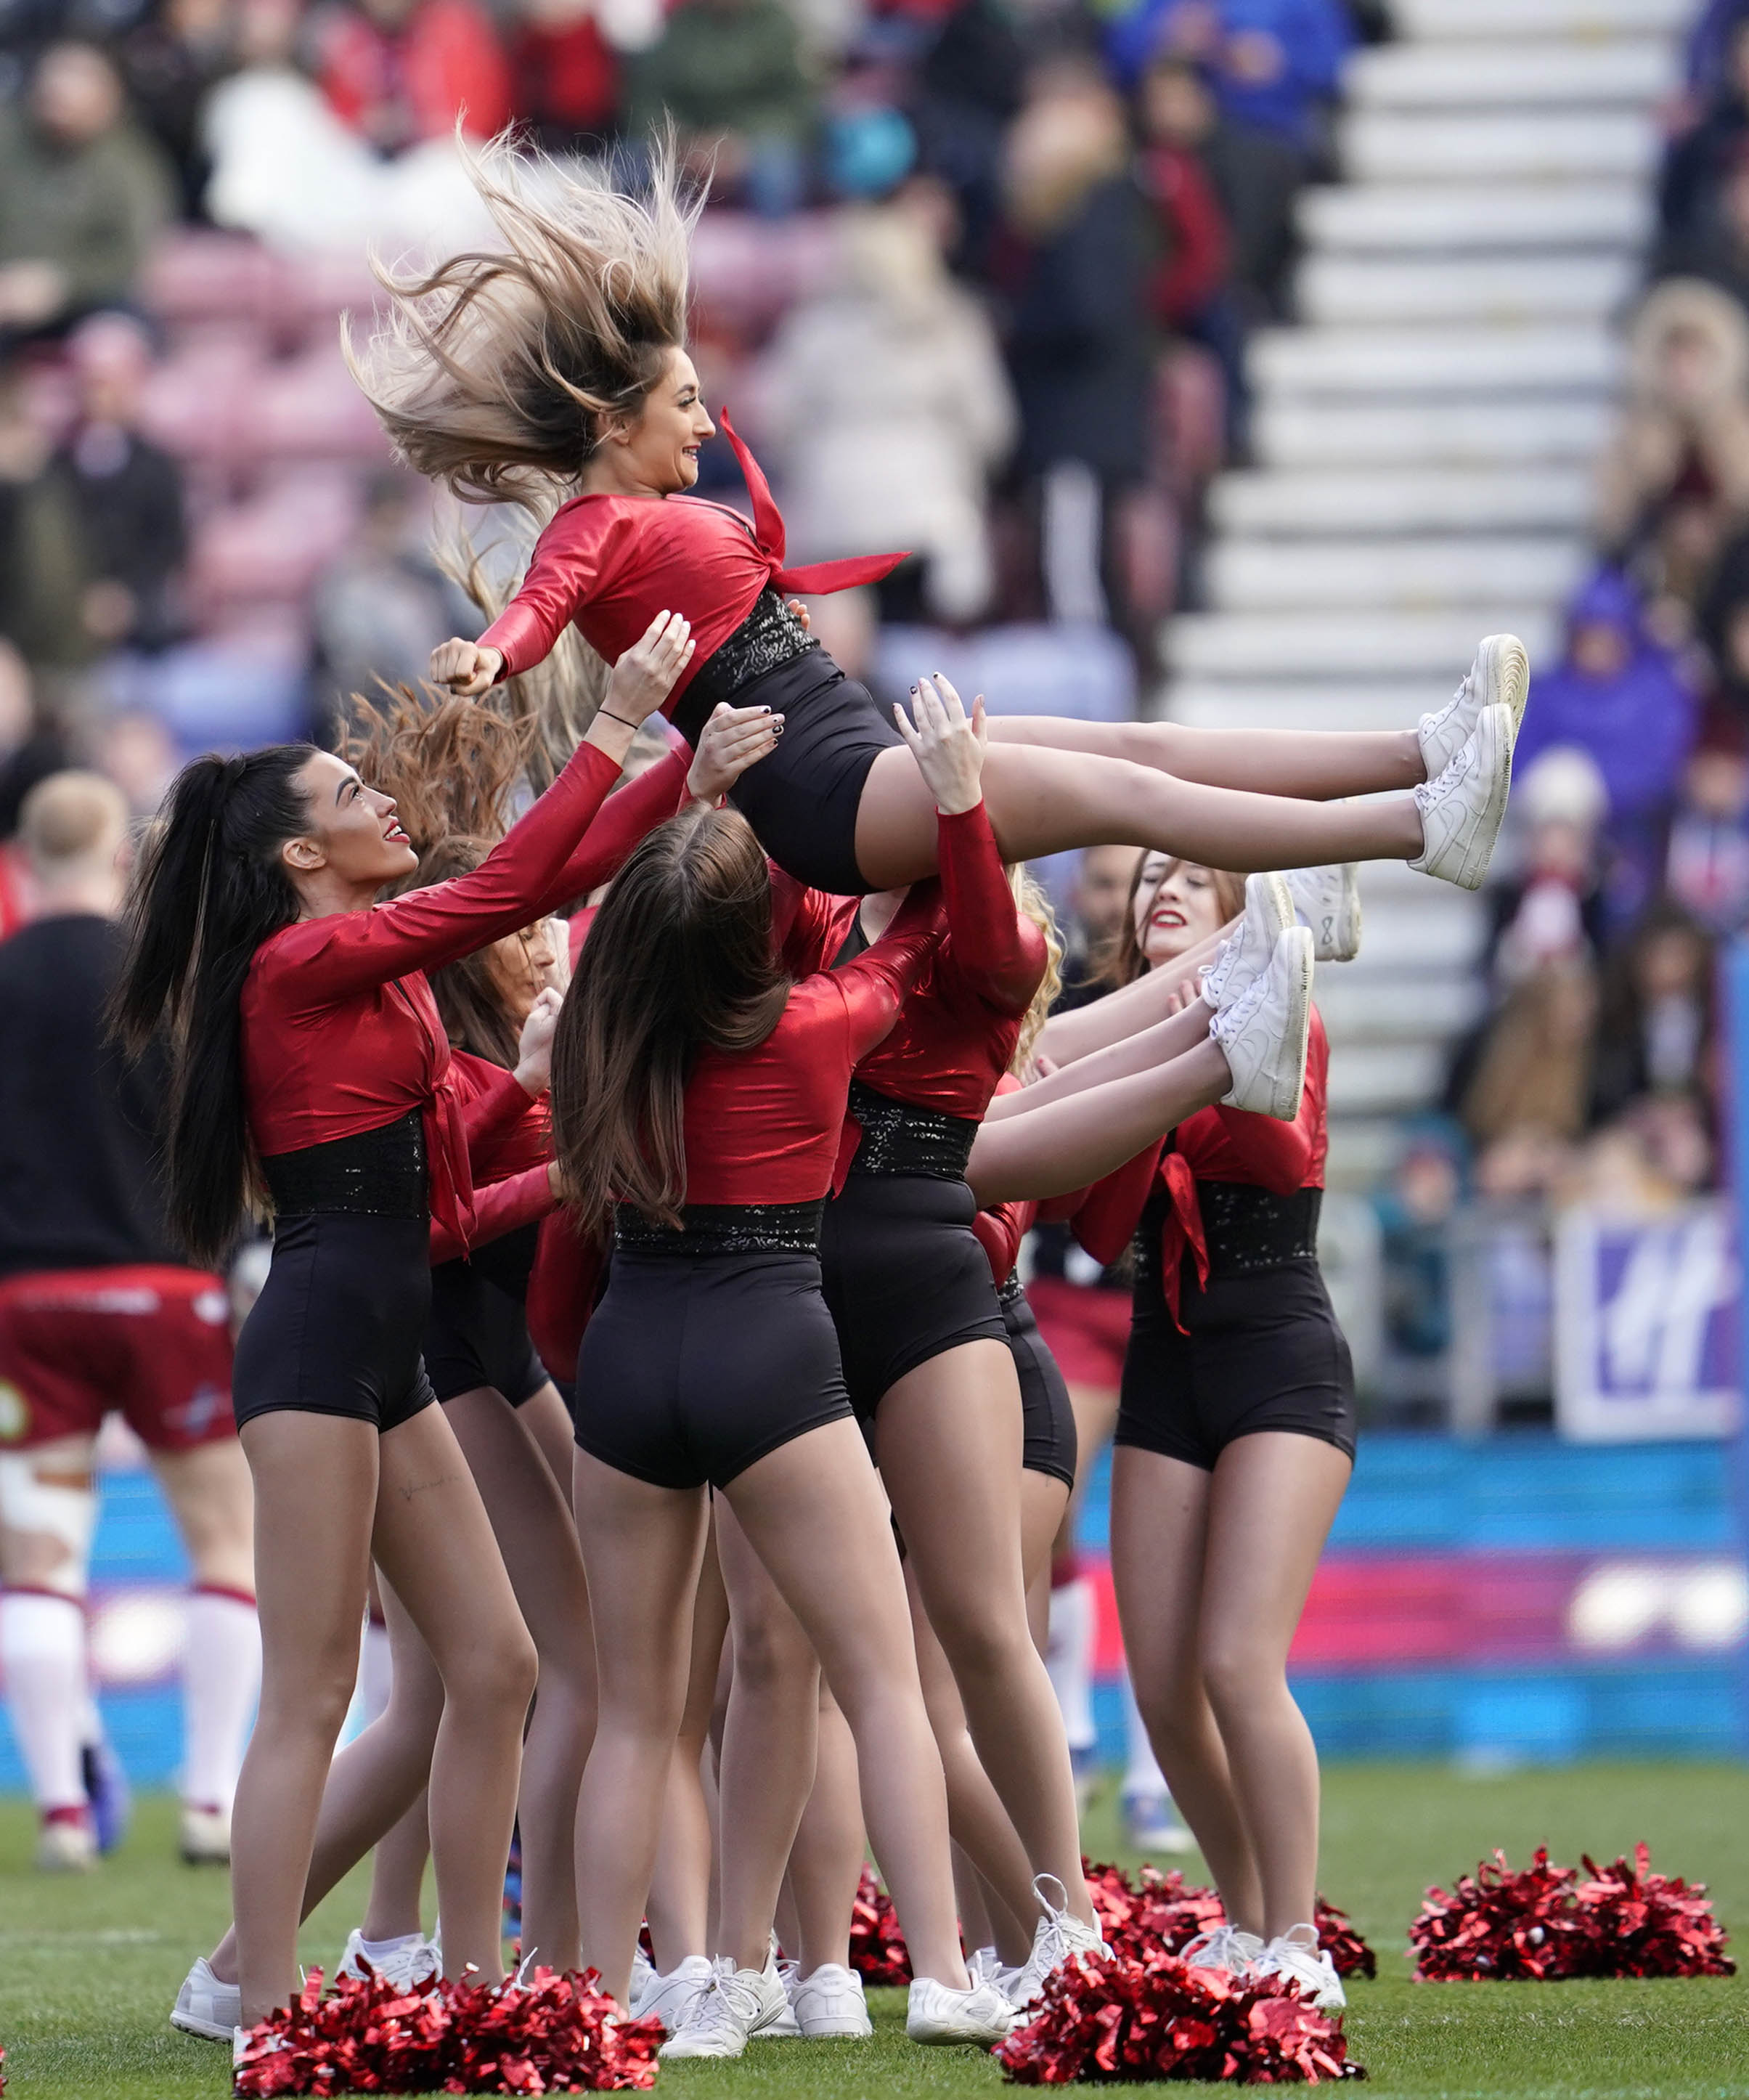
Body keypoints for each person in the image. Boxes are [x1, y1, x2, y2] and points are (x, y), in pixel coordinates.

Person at [351, 142, 1528, 907]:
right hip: (828, 793)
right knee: (1130, 802)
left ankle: (1420, 753)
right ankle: (1416, 826)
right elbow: (538, 608)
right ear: (616, 423)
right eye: (685, 404)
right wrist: (487, 657)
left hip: (859, 749)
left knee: (1137, 749)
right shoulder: (592, 527)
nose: (705, 423)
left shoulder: (649, 510)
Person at [115, 609, 695, 2037]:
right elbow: (508, 889)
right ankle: (258, 2005)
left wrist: (697, 775)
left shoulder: (365, 977)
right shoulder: (296, 967)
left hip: (385, 1356)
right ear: (298, 857)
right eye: (347, 794)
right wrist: (621, 725)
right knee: (312, 1692)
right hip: (320, 1353)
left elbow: (447, 1200)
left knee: (495, 1666)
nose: (380, 798)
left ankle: (468, 1984)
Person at [550, 693, 1022, 2055]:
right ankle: (941, 1973)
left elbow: (624, 911)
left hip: (629, 1357)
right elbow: (930, 943)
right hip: (769, 1345)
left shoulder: (592, 1037)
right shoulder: (818, 1022)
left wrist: (686, 792)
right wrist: (956, 801)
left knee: (638, 1716)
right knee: (878, 1680)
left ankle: (612, 2000)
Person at [1073, 850, 1355, 2010]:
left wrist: (1213, 1048)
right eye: (1151, 877)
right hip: (1164, 1364)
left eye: (1193, 876)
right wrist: (1155, 1064)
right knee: (1159, 1688)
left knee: (1238, 1662)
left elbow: (1282, 1155)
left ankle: (1298, 1938)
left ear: (1242, 910)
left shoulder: (1292, 1013)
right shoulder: (1113, 1035)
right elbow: (1097, 1229)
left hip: (1278, 1358)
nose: (1164, 891)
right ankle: (1246, 1924)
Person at [0, 773, 258, 1874]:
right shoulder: (164, 974)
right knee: (226, 1544)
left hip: (28, 1304)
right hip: (168, 1291)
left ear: (24, 858)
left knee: (39, 1562)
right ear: (120, 856)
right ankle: (210, 1802)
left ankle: (63, 1814)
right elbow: (221, 1129)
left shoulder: (5, 976)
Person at [0, 43, 176, 340]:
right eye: (56, 73)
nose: (60, 86)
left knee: (111, 341)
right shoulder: (8, 140)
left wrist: (61, 282)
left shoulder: (130, 163)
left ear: (111, 95)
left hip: (92, 302)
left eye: (79, 76)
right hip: (7, 293)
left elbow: (132, 254)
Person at [51, 314, 189, 657]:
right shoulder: (57, 466)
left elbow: (170, 546)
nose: (100, 395)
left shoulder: (157, 466)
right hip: (68, 621)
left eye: (110, 383)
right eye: (92, 383)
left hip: (142, 628)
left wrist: (128, 598)